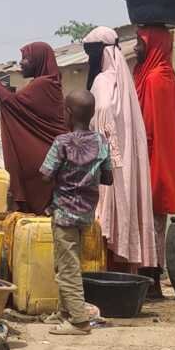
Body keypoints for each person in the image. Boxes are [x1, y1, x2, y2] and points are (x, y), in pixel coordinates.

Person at [83, 26, 157, 271]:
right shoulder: (123, 81)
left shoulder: (104, 82)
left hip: (109, 164)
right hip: (123, 163)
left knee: (104, 221)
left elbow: (102, 118)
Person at [40, 91, 113, 336]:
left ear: (68, 113)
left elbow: (45, 174)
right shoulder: (102, 142)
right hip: (86, 214)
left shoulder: (62, 142)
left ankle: (79, 321)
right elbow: (108, 178)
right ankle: (64, 311)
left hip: (64, 213)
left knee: (67, 266)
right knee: (66, 262)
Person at [0, 43, 66, 214]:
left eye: (26, 58)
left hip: (43, 161)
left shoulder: (43, 85)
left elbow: (10, 103)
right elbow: (14, 102)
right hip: (47, 158)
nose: (21, 63)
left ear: (38, 61)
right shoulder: (47, 83)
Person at [133, 26, 175, 296]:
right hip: (148, 154)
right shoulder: (148, 73)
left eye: (140, 42)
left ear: (153, 45)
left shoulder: (157, 78)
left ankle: (151, 279)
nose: (135, 47)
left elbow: (150, 126)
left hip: (153, 156)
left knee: (153, 219)